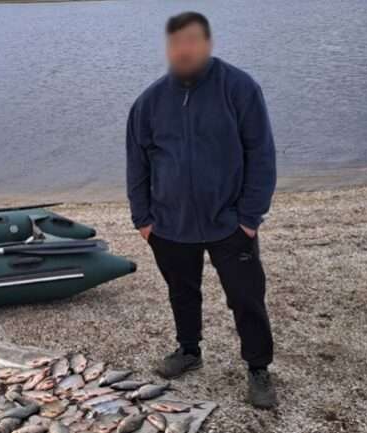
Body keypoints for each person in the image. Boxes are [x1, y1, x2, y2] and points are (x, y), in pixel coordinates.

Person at [125, 11, 278, 409]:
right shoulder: (149, 102)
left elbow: (261, 155)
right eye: (177, 43)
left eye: (192, 41)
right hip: (169, 224)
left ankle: (258, 368)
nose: (184, 50)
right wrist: (143, 219)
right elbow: (137, 164)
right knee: (182, 292)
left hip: (229, 223)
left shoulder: (239, 89)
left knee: (246, 297)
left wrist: (249, 218)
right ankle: (189, 350)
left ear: (207, 44)